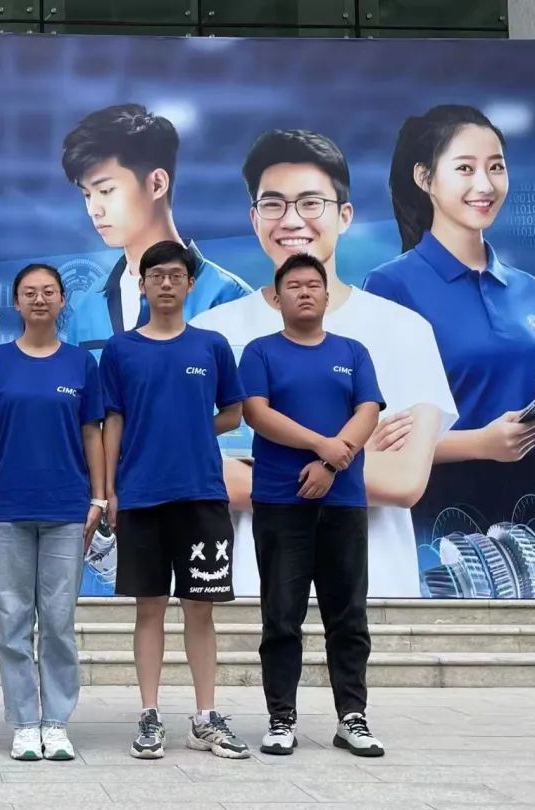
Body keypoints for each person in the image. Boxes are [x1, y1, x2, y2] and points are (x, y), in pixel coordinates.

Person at [191, 129, 457, 598]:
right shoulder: (210, 334)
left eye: (311, 203)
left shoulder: (405, 330)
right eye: (273, 204)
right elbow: (197, 475)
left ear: (344, 215)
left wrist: (262, 463)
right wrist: (353, 452)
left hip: (376, 593)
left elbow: (404, 480)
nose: (291, 220)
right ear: (254, 218)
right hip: (247, 591)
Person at [100, 240, 249, 760]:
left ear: (189, 284)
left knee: (200, 610)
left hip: (202, 494)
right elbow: (112, 420)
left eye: (175, 275)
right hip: (140, 496)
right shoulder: (120, 350)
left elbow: (234, 412)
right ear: (141, 285)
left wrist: (193, 430)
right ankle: (149, 714)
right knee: (149, 609)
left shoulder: (211, 345)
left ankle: (205, 718)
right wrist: (109, 490)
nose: (166, 283)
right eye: (156, 275)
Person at [364, 106, 535, 538]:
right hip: (444, 525)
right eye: (465, 168)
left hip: (532, 518)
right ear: (425, 178)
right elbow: (382, 438)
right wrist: (481, 443)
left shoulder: (530, 289)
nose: (485, 185)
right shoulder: (390, 286)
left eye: (496, 167)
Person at [239, 253, 386, 758]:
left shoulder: (353, 351)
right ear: (276, 299)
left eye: (313, 285)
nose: (304, 292)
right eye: (294, 285)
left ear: (327, 295)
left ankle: (352, 717)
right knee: (282, 616)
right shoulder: (260, 352)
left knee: (348, 616)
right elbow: (257, 413)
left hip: (343, 502)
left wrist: (330, 463)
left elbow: (368, 410)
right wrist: (322, 445)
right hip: (281, 502)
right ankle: (282, 718)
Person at [0, 263, 106, 762]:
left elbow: (92, 431)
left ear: (62, 299)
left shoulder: (80, 363)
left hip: (67, 507)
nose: (40, 299)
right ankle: (25, 722)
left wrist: (99, 497)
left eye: (49, 291)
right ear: (17, 301)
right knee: (12, 619)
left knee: (59, 620)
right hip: (9, 506)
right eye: (30, 292)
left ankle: (56, 721)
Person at [61, 103, 251, 355]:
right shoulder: (87, 309)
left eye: (105, 191)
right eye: (87, 194)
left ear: (157, 184)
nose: (93, 210)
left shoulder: (226, 299)